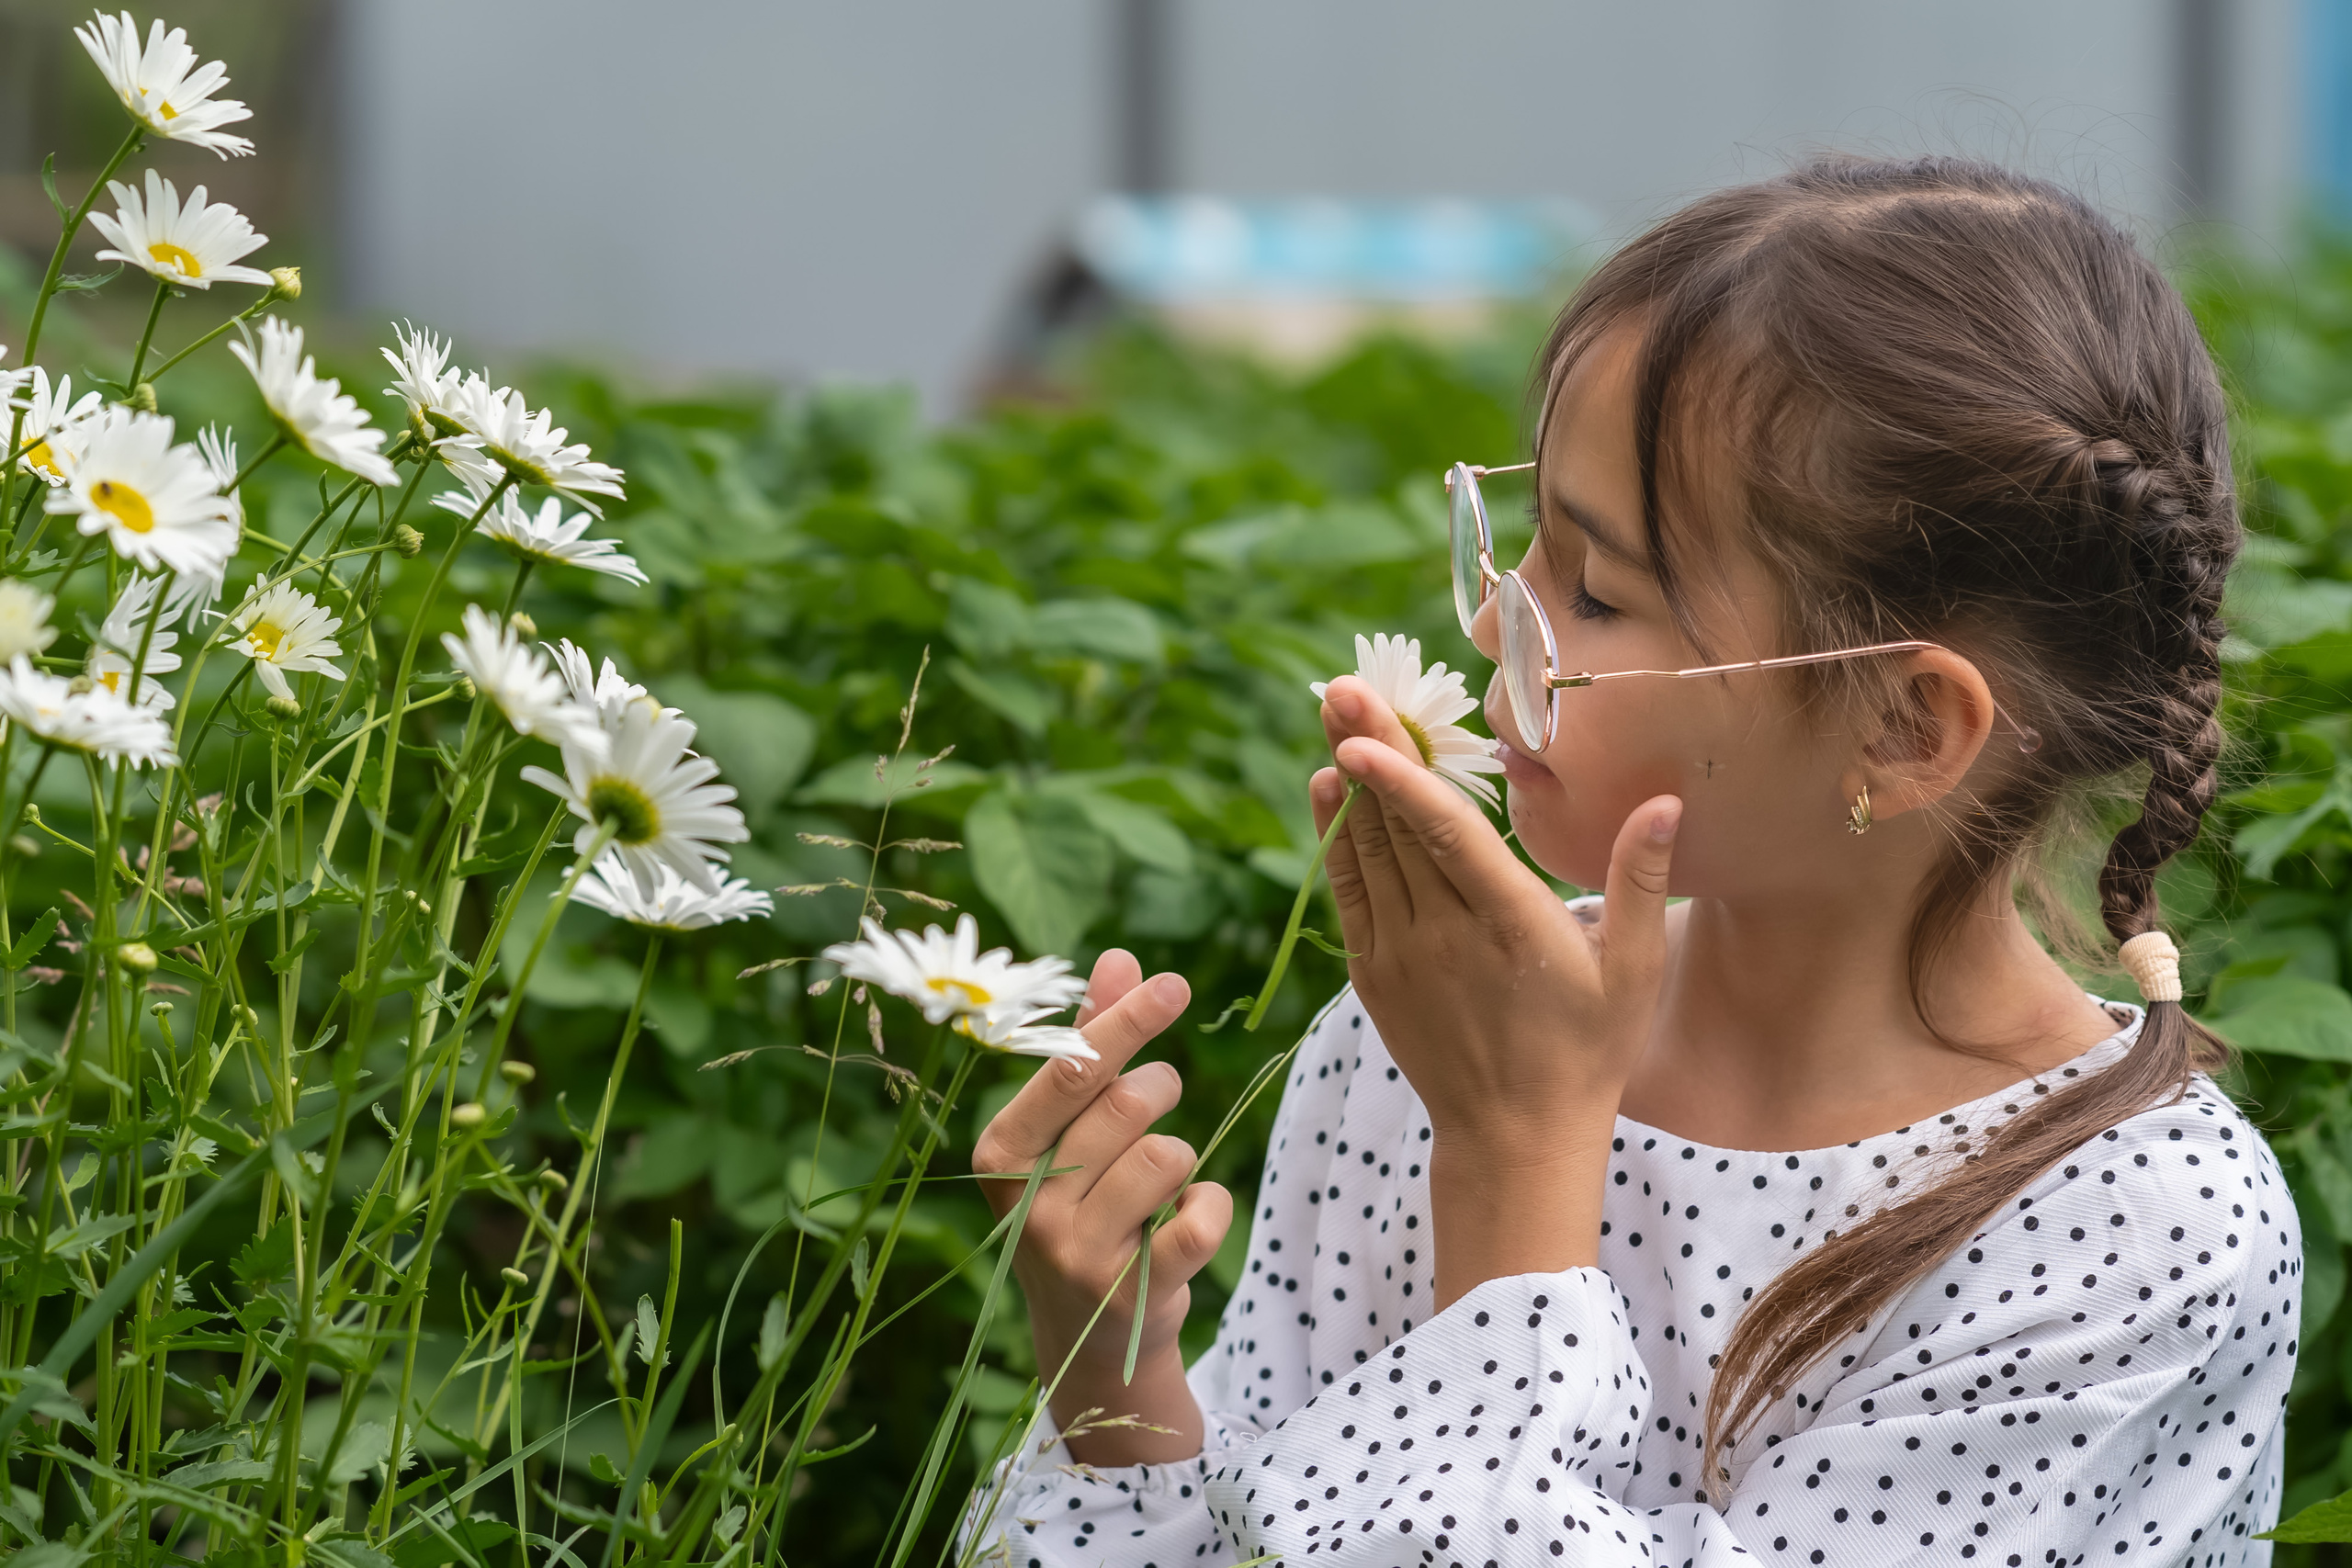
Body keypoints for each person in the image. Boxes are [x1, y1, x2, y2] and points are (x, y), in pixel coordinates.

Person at [962, 157, 2301, 1564]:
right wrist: (1117, 1397)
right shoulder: (1430, 1032)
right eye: (1524, 536)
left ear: (1904, 726)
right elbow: (1268, 1530)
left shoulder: (2132, 1232)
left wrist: (1516, 1165)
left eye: (1597, 592)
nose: (1499, 628)